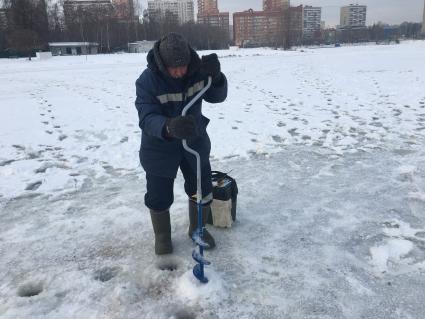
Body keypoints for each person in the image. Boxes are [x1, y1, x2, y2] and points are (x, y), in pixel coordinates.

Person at [135, 33, 228, 255]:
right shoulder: (147, 81)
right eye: (174, 69)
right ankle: (163, 236)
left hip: (193, 141)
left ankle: (198, 229)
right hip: (159, 145)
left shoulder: (197, 72)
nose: (180, 72)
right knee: (158, 195)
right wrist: (168, 127)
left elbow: (217, 96)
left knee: (202, 188)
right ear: (163, 64)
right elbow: (146, 117)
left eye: (184, 66)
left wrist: (216, 77)